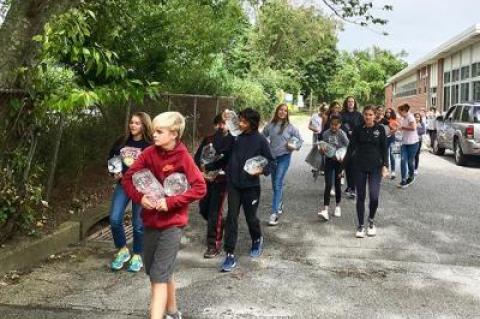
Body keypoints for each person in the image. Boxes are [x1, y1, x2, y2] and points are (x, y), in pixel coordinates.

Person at [122, 112, 207, 319]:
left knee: (159, 276)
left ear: (174, 134)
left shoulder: (183, 157)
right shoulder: (149, 153)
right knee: (156, 271)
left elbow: (200, 188)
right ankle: (173, 312)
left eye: (160, 132)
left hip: (172, 225)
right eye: (154, 131)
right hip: (150, 222)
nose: (155, 135)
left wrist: (169, 203)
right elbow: (127, 179)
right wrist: (140, 198)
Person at [206, 108, 274, 272]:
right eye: (240, 120)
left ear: (252, 123)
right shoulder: (234, 138)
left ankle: (257, 238)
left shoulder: (261, 140)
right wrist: (209, 166)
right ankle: (230, 255)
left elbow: (271, 162)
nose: (240, 123)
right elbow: (224, 155)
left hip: (251, 186)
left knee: (251, 218)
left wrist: (261, 171)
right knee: (231, 219)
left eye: (243, 121)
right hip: (233, 184)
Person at [107, 112, 153, 272]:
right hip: (123, 185)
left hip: (141, 188)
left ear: (144, 126)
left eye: (137, 123)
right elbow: (111, 157)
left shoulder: (150, 145)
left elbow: (155, 166)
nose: (133, 125)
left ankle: (137, 255)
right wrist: (114, 172)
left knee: (138, 224)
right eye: (132, 122)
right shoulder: (122, 141)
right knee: (114, 219)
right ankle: (122, 250)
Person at [345, 106, 389, 238]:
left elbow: (384, 149)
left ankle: (371, 220)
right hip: (359, 166)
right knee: (361, 197)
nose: (368, 117)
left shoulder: (380, 129)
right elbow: (351, 147)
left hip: (376, 167)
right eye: (366, 114)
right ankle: (360, 225)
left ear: (375, 116)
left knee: (374, 196)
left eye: (370, 114)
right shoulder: (358, 129)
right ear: (363, 116)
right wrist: (343, 167)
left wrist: (385, 165)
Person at [194, 114, 233, 258]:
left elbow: (230, 160)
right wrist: (202, 171)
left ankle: (213, 245)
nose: (221, 126)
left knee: (214, 212)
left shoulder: (233, 140)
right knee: (204, 209)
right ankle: (219, 223)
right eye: (219, 123)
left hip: (222, 181)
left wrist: (220, 172)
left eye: (224, 123)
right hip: (206, 179)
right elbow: (198, 158)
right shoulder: (209, 139)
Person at [263, 103, 303, 226]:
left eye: (285, 111)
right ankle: (279, 202)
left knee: (277, 183)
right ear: (277, 111)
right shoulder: (270, 125)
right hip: (272, 159)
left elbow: (300, 141)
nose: (282, 112)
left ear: (287, 114)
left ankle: (274, 214)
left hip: (284, 158)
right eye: (281, 110)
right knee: (275, 185)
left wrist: (293, 146)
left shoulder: (290, 127)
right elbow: (262, 137)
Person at [317, 115, 349, 221]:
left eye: (336, 125)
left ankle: (338, 206)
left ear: (340, 125)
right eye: (332, 124)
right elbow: (322, 147)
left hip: (339, 162)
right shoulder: (326, 133)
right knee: (328, 185)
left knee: (337, 184)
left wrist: (343, 157)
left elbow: (348, 146)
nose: (334, 127)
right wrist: (321, 150)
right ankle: (325, 209)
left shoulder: (342, 134)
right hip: (329, 161)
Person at [340, 96, 363, 198]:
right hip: (344, 142)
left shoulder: (359, 115)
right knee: (347, 166)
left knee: (353, 166)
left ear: (354, 103)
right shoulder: (341, 114)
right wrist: (346, 131)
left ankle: (353, 189)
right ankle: (349, 186)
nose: (350, 103)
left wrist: (355, 132)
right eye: (349, 101)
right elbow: (339, 125)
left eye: (352, 101)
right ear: (346, 103)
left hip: (355, 143)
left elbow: (362, 126)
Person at [397, 103, 419, 188]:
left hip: (413, 144)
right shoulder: (404, 118)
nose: (399, 113)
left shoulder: (410, 117)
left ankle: (411, 176)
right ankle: (403, 179)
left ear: (404, 111)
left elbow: (413, 128)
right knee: (403, 160)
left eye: (400, 112)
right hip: (405, 143)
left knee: (410, 161)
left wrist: (402, 128)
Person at [306, 105, 324, 180]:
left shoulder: (326, 116)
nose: (323, 112)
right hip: (316, 135)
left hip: (323, 136)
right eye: (322, 110)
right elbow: (309, 126)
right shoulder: (314, 116)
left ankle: (321, 168)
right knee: (315, 149)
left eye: (324, 111)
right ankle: (315, 166)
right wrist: (314, 129)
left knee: (322, 151)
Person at [384, 108, 399, 179]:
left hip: (393, 138)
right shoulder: (383, 120)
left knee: (393, 155)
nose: (387, 113)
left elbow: (397, 130)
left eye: (389, 112)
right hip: (385, 139)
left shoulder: (395, 120)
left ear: (392, 113)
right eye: (386, 112)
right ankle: (386, 171)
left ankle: (393, 171)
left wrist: (393, 130)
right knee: (385, 155)